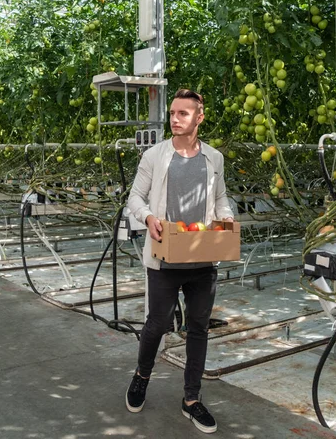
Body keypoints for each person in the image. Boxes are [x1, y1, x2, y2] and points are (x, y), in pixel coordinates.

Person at [126, 88, 234, 433]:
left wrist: (227, 221)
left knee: (199, 328)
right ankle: (142, 376)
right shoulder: (155, 156)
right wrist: (147, 218)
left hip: (202, 258)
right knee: (157, 323)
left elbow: (220, 200)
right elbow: (135, 197)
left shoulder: (213, 158)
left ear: (199, 118)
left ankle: (191, 398)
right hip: (165, 256)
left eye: (183, 113)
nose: (175, 118)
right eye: (173, 113)